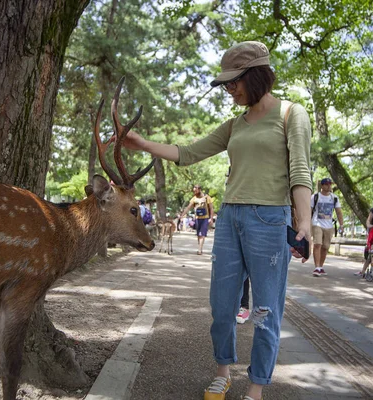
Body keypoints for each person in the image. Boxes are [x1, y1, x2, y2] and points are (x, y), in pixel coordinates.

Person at [122, 41, 312, 400]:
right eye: (226, 84)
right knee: (222, 305)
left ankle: (255, 388)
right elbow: (189, 152)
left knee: (265, 309)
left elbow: (300, 170)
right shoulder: (234, 124)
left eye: (233, 82)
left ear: (254, 76)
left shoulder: (291, 114)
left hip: (270, 219)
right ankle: (222, 372)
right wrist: (144, 144)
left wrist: (303, 220)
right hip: (229, 218)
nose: (229, 90)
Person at [311, 177, 344, 277]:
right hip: (317, 223)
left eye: (330, 184)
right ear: (322, 185)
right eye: (327, 184)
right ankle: (317, 267)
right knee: (317, 244)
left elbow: (338, 212)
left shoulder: (334, 198)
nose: (329, 186)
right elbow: (309, 210)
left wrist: (341, 224)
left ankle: (321, 267)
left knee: (325, 247)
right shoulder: (315, 197)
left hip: (329, 225)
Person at [180, 184, 214, 255]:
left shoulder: (207, 197)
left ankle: (199, 250)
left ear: (199, 190)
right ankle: (200, 247)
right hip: (197, 219)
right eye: (194, 191)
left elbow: (211, 208)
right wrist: (182, 215)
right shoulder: (194, 199)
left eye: (195, 191)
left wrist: (211, 218)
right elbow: (188, 207)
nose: (194, 192)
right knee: (199, 234)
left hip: (205, 219)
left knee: (202, 234)